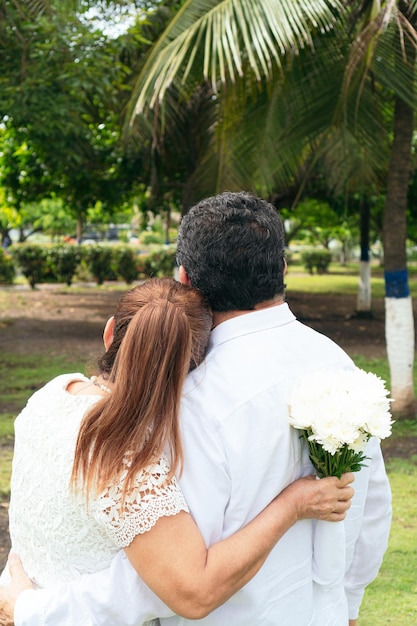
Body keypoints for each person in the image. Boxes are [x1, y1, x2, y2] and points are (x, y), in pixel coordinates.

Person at [1, 191, 391, 626]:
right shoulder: (338, 362)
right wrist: (348, 603)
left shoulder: (181, 398)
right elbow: (371, 501)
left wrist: (32, 610)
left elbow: (157, 581)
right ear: (282, 268)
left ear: (184, 279)